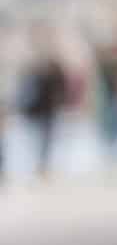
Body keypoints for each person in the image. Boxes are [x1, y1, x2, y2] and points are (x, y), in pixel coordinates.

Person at [13, 42, 70, 179]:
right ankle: (39, 166)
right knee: (40, 140)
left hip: (45, 111)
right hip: (40, 112)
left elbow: (60, 90)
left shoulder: (46, 71)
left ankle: (41, 166)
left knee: (42, 140)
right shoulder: (34, 72)